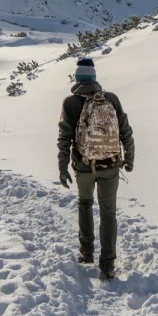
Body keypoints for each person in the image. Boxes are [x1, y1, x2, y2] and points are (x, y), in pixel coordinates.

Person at [57, 57, 134, 281]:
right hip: (110, 165)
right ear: (94, 76)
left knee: (85, 205)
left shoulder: (70, 102)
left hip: (83, 167)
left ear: (77, 77)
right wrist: (129, 157)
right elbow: (125, 130)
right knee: (108, 213)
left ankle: (87, 253)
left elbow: (64, 139)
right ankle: (108, 264)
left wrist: (63, 167)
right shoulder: (110, 99)